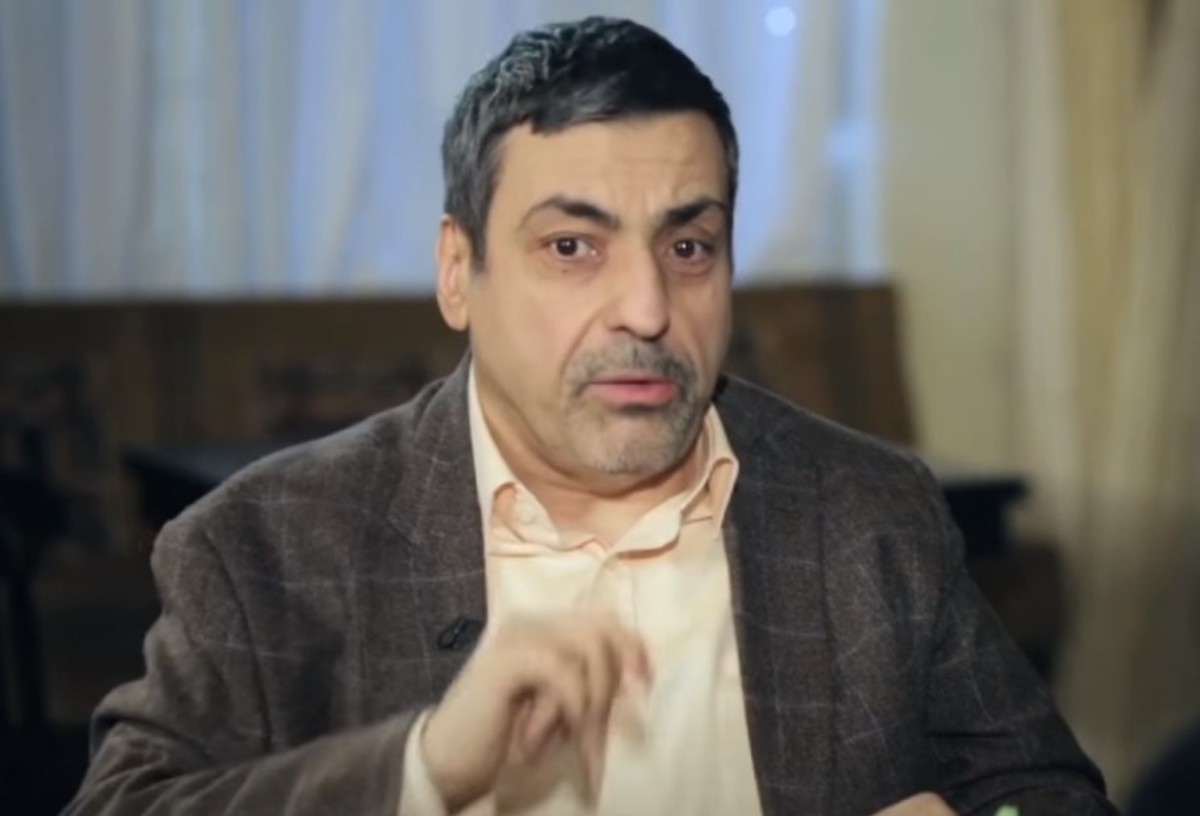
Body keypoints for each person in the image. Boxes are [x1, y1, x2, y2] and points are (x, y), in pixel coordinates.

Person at [66, 16, 1116, 816]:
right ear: (458, 272)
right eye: (573, 247)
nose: (649, 308)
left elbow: (1048, 796)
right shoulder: (264, 548)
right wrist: (427, 770)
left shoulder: (871, 513)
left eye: (689, 246)